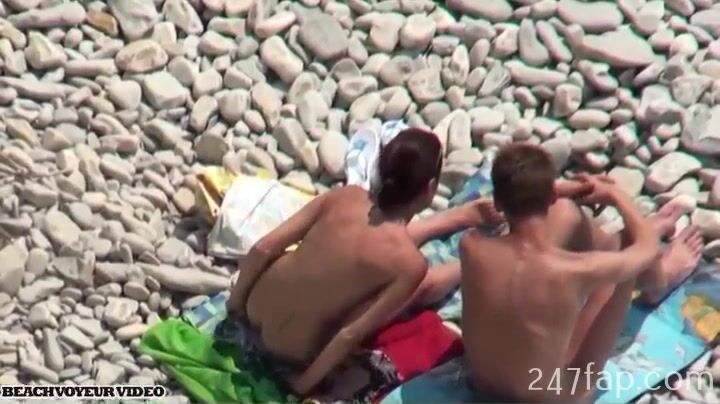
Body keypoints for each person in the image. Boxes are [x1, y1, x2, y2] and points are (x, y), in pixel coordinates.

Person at [226, 128, 500, 396]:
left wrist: (235, 304)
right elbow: (350, 334)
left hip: (255, 305)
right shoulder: (410, 264)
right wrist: (302, 386)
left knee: (365, 251)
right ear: (430, 188)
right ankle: (476, 259)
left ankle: (453, 220)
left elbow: (262, 248)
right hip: (291, 349)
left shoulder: (344, 196)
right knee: (414, 284)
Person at [460, 144, 703, 402]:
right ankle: (661, 279)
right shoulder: (575, 269)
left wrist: (571, 190)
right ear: (551, 196)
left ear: (499, 201)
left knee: (565, 213)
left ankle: (648, 261)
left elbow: (496, 210)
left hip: (484, 385)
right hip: (554, 398)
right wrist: (618, 197)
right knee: (626, 245)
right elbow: (646, 248)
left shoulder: (471, 246)